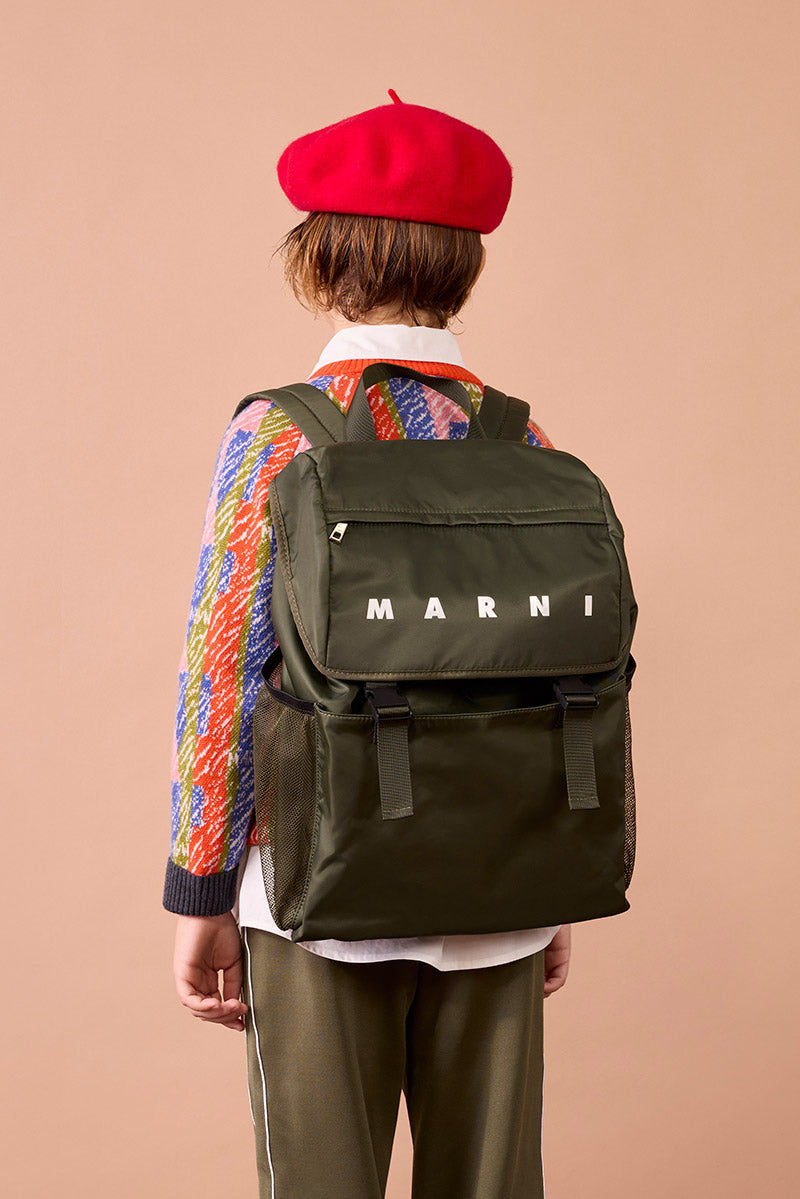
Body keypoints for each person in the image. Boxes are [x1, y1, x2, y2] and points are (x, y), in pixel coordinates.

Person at [163, 89, 572, 1199]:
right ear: (465, 261)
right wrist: (549, 881)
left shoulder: (280, 432)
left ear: (321, 253)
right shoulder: (522, 438)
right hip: (498, 877)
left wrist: (201, 886)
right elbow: (551, 678)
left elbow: (222, 665)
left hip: (318, 881)